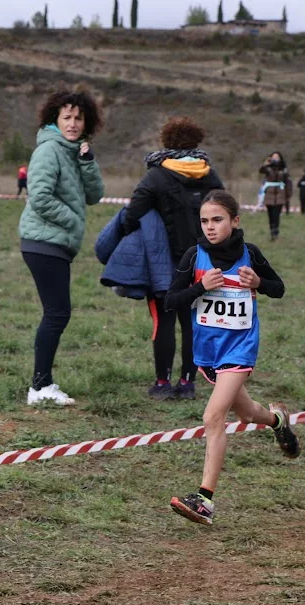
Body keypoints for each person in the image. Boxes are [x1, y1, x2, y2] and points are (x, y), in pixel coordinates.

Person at [165, 190, 299, 526]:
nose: (210, 227)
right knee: (247, 412)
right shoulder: (193, 256)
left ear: (235, 221)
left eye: (217, 220)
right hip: (209, 349)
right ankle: (277, 421)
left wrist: (259, 282)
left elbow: (279, 287)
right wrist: (199, 288)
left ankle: (205, 500)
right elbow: (171, 300)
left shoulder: (249, 253)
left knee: (213, 415)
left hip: (240, 347)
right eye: (205, 221)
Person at [123, 116, 225, 400]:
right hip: (203, 262)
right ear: (196, 142)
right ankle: (188, 382)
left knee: (164, 322)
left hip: (164, 264)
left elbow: (132, 214)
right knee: (194, 322)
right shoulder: (210, 175)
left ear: (165, 142)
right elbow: (225, 213)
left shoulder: (156, 175)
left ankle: (162, 383)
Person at [19, 88, 105, 406]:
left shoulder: (74, 151)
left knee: (57, 313)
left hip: (54, 243)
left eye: (78, 118)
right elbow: (39, 196)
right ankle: (40, 386)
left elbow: (95, 195)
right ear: (55, 119)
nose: (72, 123)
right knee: (57, 313)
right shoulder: (49, 150)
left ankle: (42, 383)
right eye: (66, 117)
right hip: (43, 241)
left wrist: (87, 162)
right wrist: (72, 221)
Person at [258, 152, 287, 240]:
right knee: (270, 214)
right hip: (269, 194)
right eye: (273, 157)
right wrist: (265, 163)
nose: (275, 158)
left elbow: (287, 181)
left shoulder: (283, 168)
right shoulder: (268, 168)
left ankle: (275, 232)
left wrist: (287, 195)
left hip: (280, 193)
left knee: (276, 214)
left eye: (277, 157)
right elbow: (261, 171)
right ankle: (272, 230)